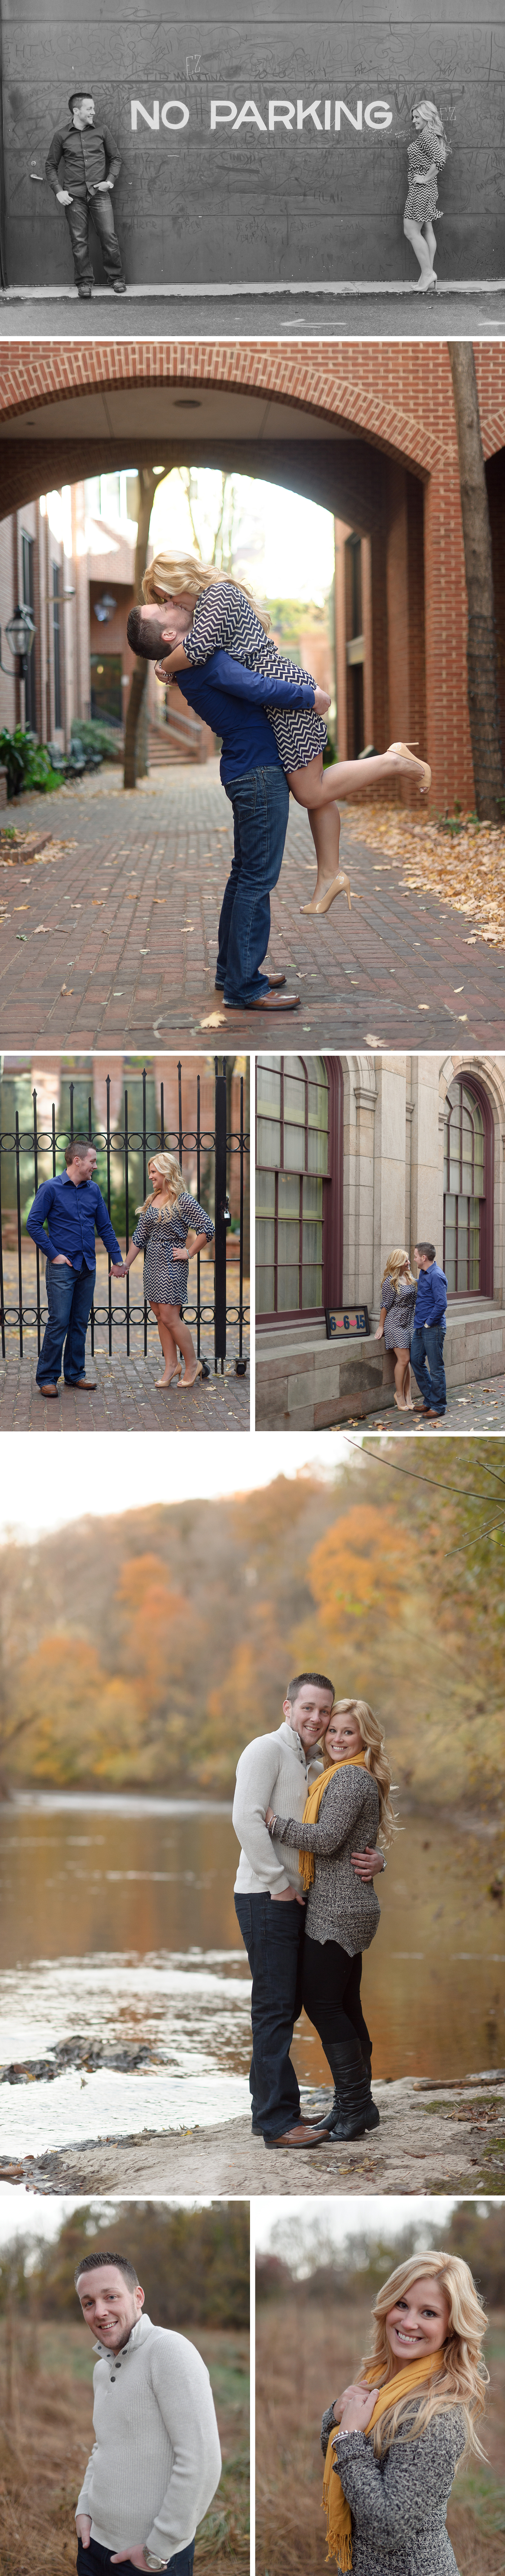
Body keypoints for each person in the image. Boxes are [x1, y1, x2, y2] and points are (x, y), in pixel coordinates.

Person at [138, 553, 431, 918]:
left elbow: (195, 651)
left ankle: (393, 761)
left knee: (312, 791)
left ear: (179, 579)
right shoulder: (206, 609)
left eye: (165, 596)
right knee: (318, 790)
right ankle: (329, 875)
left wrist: (163, 664)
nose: (167, 603)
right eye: (161, 601)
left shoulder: (216, 596)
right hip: (277, 700)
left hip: (285, 696)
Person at [232, 1673, 385, 2151]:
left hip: (306, 1900)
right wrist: (277, 1884)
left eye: (327, 1712)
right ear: (288, 1707)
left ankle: (322, 2107)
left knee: (298, 2005)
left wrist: (380, 1858)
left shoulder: (316, 1764)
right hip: (268, 1895)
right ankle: (278, 2122)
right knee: (277, 2009)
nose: (319, 1720)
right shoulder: (266, 1750)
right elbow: (245, 1818)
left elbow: (342, 1832)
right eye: (310, 1709)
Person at [266, 1697, 394, 2142]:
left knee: (322, 2003)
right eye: (333, 1730)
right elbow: (356, 1841)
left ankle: (355, 2105)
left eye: (348, 1732)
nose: (337, 1738)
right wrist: (382, 1861)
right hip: (348, 1903)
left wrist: (273, 1823)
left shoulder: (348, 1779)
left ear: (364, 1738)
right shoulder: (344, 1776)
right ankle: (355, 2106)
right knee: (347, 2004)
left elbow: (327, 1839)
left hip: (339, 1911)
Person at [320, 2249, 488, 2575]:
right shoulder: (383, 2381)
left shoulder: (435, 2413)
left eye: (428, 2313)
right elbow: (338, 2462)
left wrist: (351, 2436)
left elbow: (388, 2530)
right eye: (402, 2304)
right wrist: (336, 2416)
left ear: (451, 2327)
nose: (408, 2322)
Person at [74, 2246, 222, 2576]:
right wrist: (84, 2508)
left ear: (137, 2297)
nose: (100, 2312)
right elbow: (103, 2447)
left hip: (149, 2560)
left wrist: (158, 2549)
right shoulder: (102, 2368)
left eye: (111, 2297)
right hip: (92, 2546)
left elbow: (202, 2461)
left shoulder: (169, 2351)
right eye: (89, 2303)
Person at [26, 1137, 125, 1398]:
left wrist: (117, 1259)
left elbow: (105, 1227)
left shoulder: (93, 1190)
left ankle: (75, 1374)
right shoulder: (50, 1189)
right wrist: (54, 1255)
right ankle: (47, 1378)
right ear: (77, 1160)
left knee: (79, 1322)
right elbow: (34, 1224)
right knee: (59, 1322)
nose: (96, 1166)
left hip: (87, 1267)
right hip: (63, 1267)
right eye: (93, 1161)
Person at [120, 1151, 214, 1390]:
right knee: (161, 1317)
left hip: (172, 1265)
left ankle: (193, 1365)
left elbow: (207, 1229)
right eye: (150, 1172)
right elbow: (139, 1238)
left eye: (154, 1172)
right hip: (152, 1265)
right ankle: (171, 1365)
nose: (151, 1176)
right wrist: (126, 1264)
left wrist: (190, 1252)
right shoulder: (152, 1200)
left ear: (166, 1172)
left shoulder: (183, 1200)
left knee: (171, 1317)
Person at [45, 92, 126, 300]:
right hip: (74, 197)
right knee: (79, 241)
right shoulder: (61, 136)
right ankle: (84, 283)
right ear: (77, 111)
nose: (94, 112)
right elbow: (51, 166)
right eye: (89, 108)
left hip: (99, 194)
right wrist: (58, 191)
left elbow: (116, 158)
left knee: (109, 237)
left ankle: (116, 278)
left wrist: (110, 181)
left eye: (93, 108)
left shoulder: (102, 130)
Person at [403, 100, 449, 294]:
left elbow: (439, 161)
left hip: (421, 191)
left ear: (427, 117)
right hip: (428, 190)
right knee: (427, 230)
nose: (414, 120)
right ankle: (427, 275)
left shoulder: (427, 136)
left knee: (411, 231)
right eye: (413, 117)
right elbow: (438, 158)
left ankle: (428, 273)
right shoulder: (431, 136)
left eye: (417, 117)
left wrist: (423, 178)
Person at [374, 1250, 417, 1411]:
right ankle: (399, 1395)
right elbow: (385, 1306)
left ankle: (408, 1395)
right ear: (398, 1262)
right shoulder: (390, 1282)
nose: (409, 1263)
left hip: (410, 1323)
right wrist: (381, 1326)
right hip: (395, 1324)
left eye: (408, 1260)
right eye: (406, 1260)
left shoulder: (410, 1277)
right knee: (404, 1360)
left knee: (409, 1362)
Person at [410, 1240, 448, 1421]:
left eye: (416, 1256)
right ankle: (430, 1400)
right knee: (416, 1361)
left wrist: (428, 1323)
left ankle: (439, 1406)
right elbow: (426, 1293)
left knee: (436, 1369)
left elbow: (442, 1304)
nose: (414, 1259)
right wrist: (412, 1280)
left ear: (424, 1257)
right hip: (419, 1326)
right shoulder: (424, 1273)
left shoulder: (436, 1275)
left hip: (432, 1328)